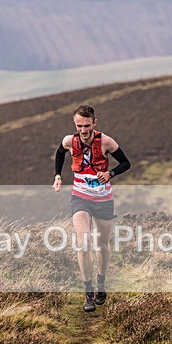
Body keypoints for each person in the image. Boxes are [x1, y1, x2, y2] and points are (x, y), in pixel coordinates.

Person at [53, 104, 131, 312]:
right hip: (80, 197)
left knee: (102, 244)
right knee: (83, 241)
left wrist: (110, 174)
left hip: (103, 199)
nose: (83, 130)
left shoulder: (106, 141)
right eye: (79, 126)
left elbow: (126, 163)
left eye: (87, 125)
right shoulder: (69, 141)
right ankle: (88, 293)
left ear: (94, 123)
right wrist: (58, 176)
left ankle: (101, 284)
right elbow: (60, 154)